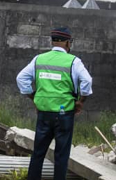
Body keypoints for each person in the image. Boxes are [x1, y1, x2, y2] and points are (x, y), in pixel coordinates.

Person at [16, 27, 93, 180]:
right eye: (69, 42)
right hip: (64, 115)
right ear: (66, 43)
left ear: (53, 41)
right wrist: (81, 102)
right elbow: (87, 81)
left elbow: (21, 78)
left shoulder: (39, 59)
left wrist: (34, 98)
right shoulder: (74, 62)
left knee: (38, 153)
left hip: (44, 113)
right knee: (61, 155)